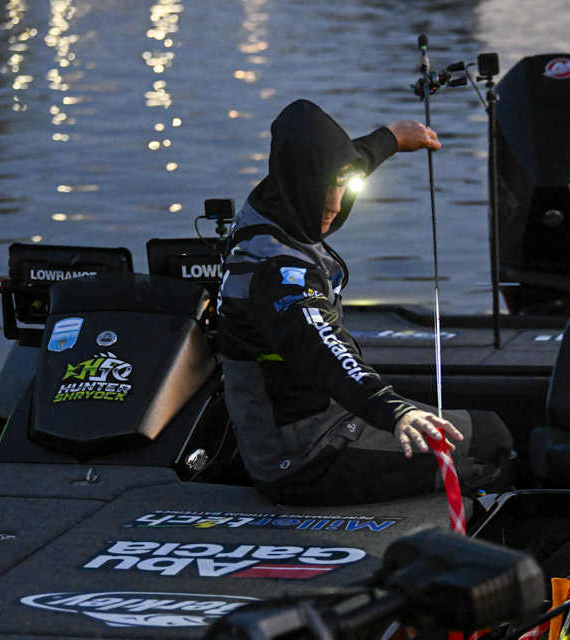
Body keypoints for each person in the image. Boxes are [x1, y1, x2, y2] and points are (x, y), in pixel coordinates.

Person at [217, 99, 512, 505]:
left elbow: (340, 162)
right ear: (300, 184)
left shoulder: (272, 202)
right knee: (489, 438)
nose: (336, 204)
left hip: (320, 417)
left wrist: (392, 138)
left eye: (341, 185)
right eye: (323, 191)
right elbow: (326, 350)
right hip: (304, 455)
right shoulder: (282, 276)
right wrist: (394, 411)